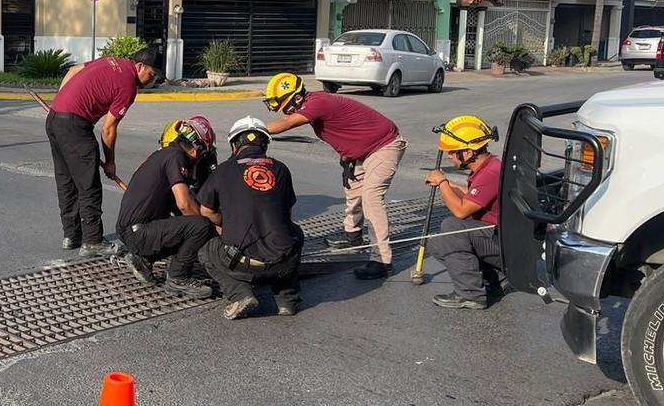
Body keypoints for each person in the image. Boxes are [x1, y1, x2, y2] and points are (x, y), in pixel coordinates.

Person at [263, 73, 405, 280]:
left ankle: (382, 260)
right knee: (353, 191)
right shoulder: (312, 103)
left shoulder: (317, 102)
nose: (282, 109)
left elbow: (289, 122)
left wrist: (253, 129)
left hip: (385, 145)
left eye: (283, 104)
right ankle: (353, 234)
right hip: (362, 152)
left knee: (371, 198)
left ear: (296, 98)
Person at [46, 47, 162, 256]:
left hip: (55, 120)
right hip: (75, 126)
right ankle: (92, 241)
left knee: (66, 181)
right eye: (151, 74)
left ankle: (71, 236)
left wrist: (59, 102)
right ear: (140, 66)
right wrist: (110, 162)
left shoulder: (110, 61)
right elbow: (108, 129)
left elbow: (73, 71)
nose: (151, 79)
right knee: (88, 185)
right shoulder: (128, 86)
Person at [198, 117, 303, 320]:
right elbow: (287, 214)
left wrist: (226, 226)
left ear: (233, 145)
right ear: (264, 144)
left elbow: (206, 211)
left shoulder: (223, 171)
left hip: (241, 262)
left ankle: (240, 294)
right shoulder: (281, 169)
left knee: (207, 251)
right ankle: (287, 300)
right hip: (281, 260)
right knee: (296, 233)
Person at [117, 119, 215, 299]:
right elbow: (184, 205)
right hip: (139, 232)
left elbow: (179, 212)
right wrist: (212, 229)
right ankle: (178, 278)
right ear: (197, 149)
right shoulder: (176, 157)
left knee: (189, 226)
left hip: (132, 230)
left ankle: (144, 259)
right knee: (201, 226)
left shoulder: (164, 154)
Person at [425, 115, 504, 310]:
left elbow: (461, 211)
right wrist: (449, 184)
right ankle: (493, 280)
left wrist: (443, 182)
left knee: (451, 227)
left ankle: (471, 295)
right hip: (497, 237)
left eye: (452, 152)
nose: (449, 157)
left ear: (468, 153)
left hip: (504, 244)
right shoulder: (488, 166)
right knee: (436, 244)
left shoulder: (489, 173)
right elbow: (474, 196)